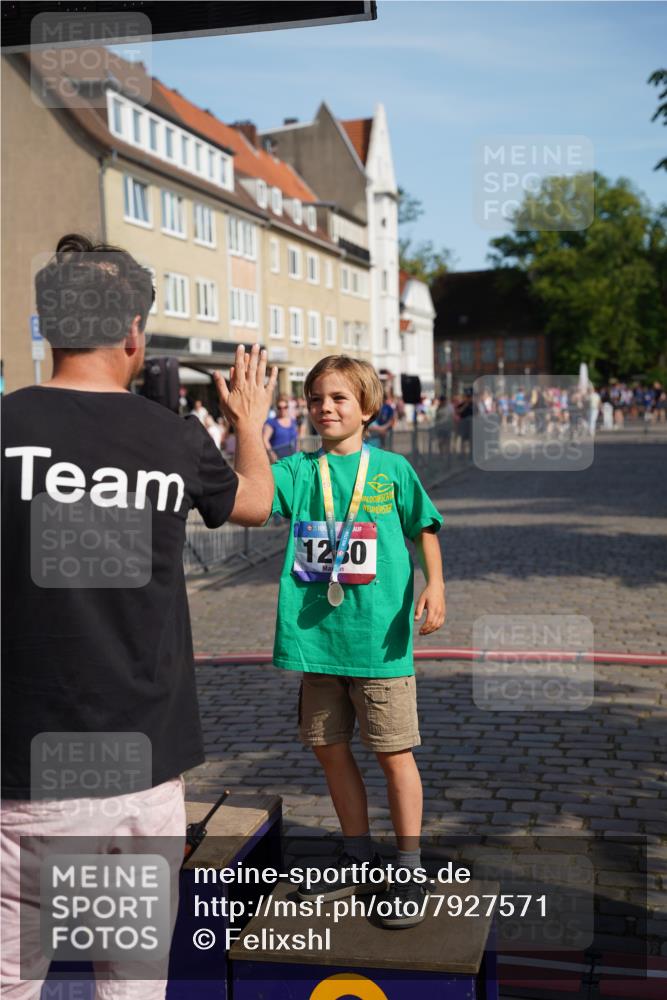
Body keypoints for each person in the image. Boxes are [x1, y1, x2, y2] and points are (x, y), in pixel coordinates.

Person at [1, 234, 277, 999]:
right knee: (129, 986)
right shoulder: (172, 438)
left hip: (20, 769)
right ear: (133, 333)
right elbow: (256, 504)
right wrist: (249, 421)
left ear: (48, 325)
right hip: (138, 772)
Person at [269, 356, 445, 928]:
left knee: (394, 753)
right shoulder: (297, 470)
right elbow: (252, 497)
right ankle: (358, 854)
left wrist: (436, 583)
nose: (326, 408)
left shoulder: (391, 469)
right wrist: (248, 425)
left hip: (379, 642)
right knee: (328, 747)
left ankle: (409, 865)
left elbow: (423, 527)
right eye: (317, 398)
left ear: (369, 408)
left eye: (340, 398)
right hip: (319, 642)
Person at [263, 393, 300, 461]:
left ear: (288, 407)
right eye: (279, 407)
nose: (282, 410)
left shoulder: (293, 421)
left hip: (292, 460)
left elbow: (296, 440)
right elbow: (265, 440)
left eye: (285, 407)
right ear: (276, 408)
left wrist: (298, 454)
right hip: (278, 461)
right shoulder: (271, 422)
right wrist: (272, 456)